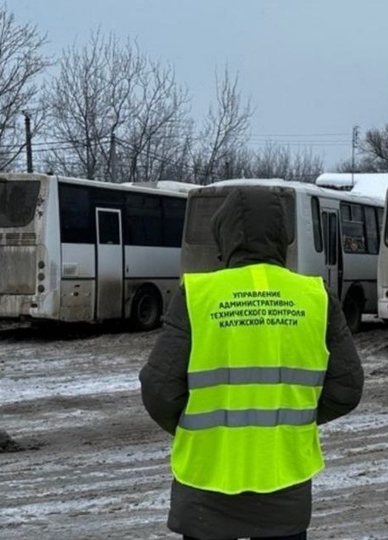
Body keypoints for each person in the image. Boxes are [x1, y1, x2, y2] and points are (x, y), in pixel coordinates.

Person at [140, 186, 364, 540]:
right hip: (283, 483)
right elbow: (347, 387)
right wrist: (295, 418)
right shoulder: (315, 297)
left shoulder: (197, 295)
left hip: (205, 483)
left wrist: (197, 429)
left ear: (222, 233)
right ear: (281, 235)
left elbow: (158, 388)